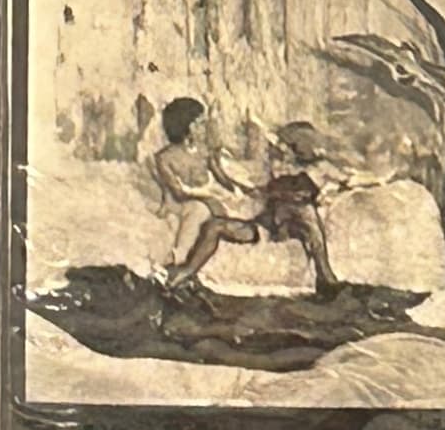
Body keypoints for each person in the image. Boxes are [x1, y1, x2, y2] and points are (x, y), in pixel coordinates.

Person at [164, 120, 354, 297]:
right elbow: (255, 188)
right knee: (214, 226)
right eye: (280, 145)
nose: (278, 149)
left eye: (284, 145)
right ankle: (187, 272)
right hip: (265, 226)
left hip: (292, 228)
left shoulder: (314, 174)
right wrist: (245, 189)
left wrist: (327, 191)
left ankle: (326, 278)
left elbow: (345, 181)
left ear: (298, 147)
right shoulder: (278, 171)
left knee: (307, 214)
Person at [148, 96, 254, 265]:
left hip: (207, 194)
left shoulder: (204, 150)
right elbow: (178, 194)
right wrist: (208, 200)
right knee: (199, 210)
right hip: (179, 202)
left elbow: (221, 176)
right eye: (201, 123)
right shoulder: (165, 157)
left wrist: (240, 190)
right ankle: (177, 257)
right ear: (188, 127)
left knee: (240, 208)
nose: (205, 128)